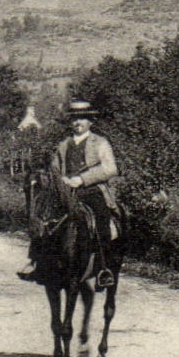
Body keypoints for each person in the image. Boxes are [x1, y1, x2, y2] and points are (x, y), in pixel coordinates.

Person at [18, 100, 119, 283]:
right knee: (43, 216)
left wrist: (81, 179)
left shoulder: (100, 143)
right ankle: (35, 260)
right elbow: (55, 169)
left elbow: (110, 169)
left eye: (82, 118)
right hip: (65, 191)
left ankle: (104, 268)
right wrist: (55, 179)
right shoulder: (63, 145)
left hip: (92, 190)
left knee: (101, 218)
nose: (77, 122)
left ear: (90, 122)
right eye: (74, 119)